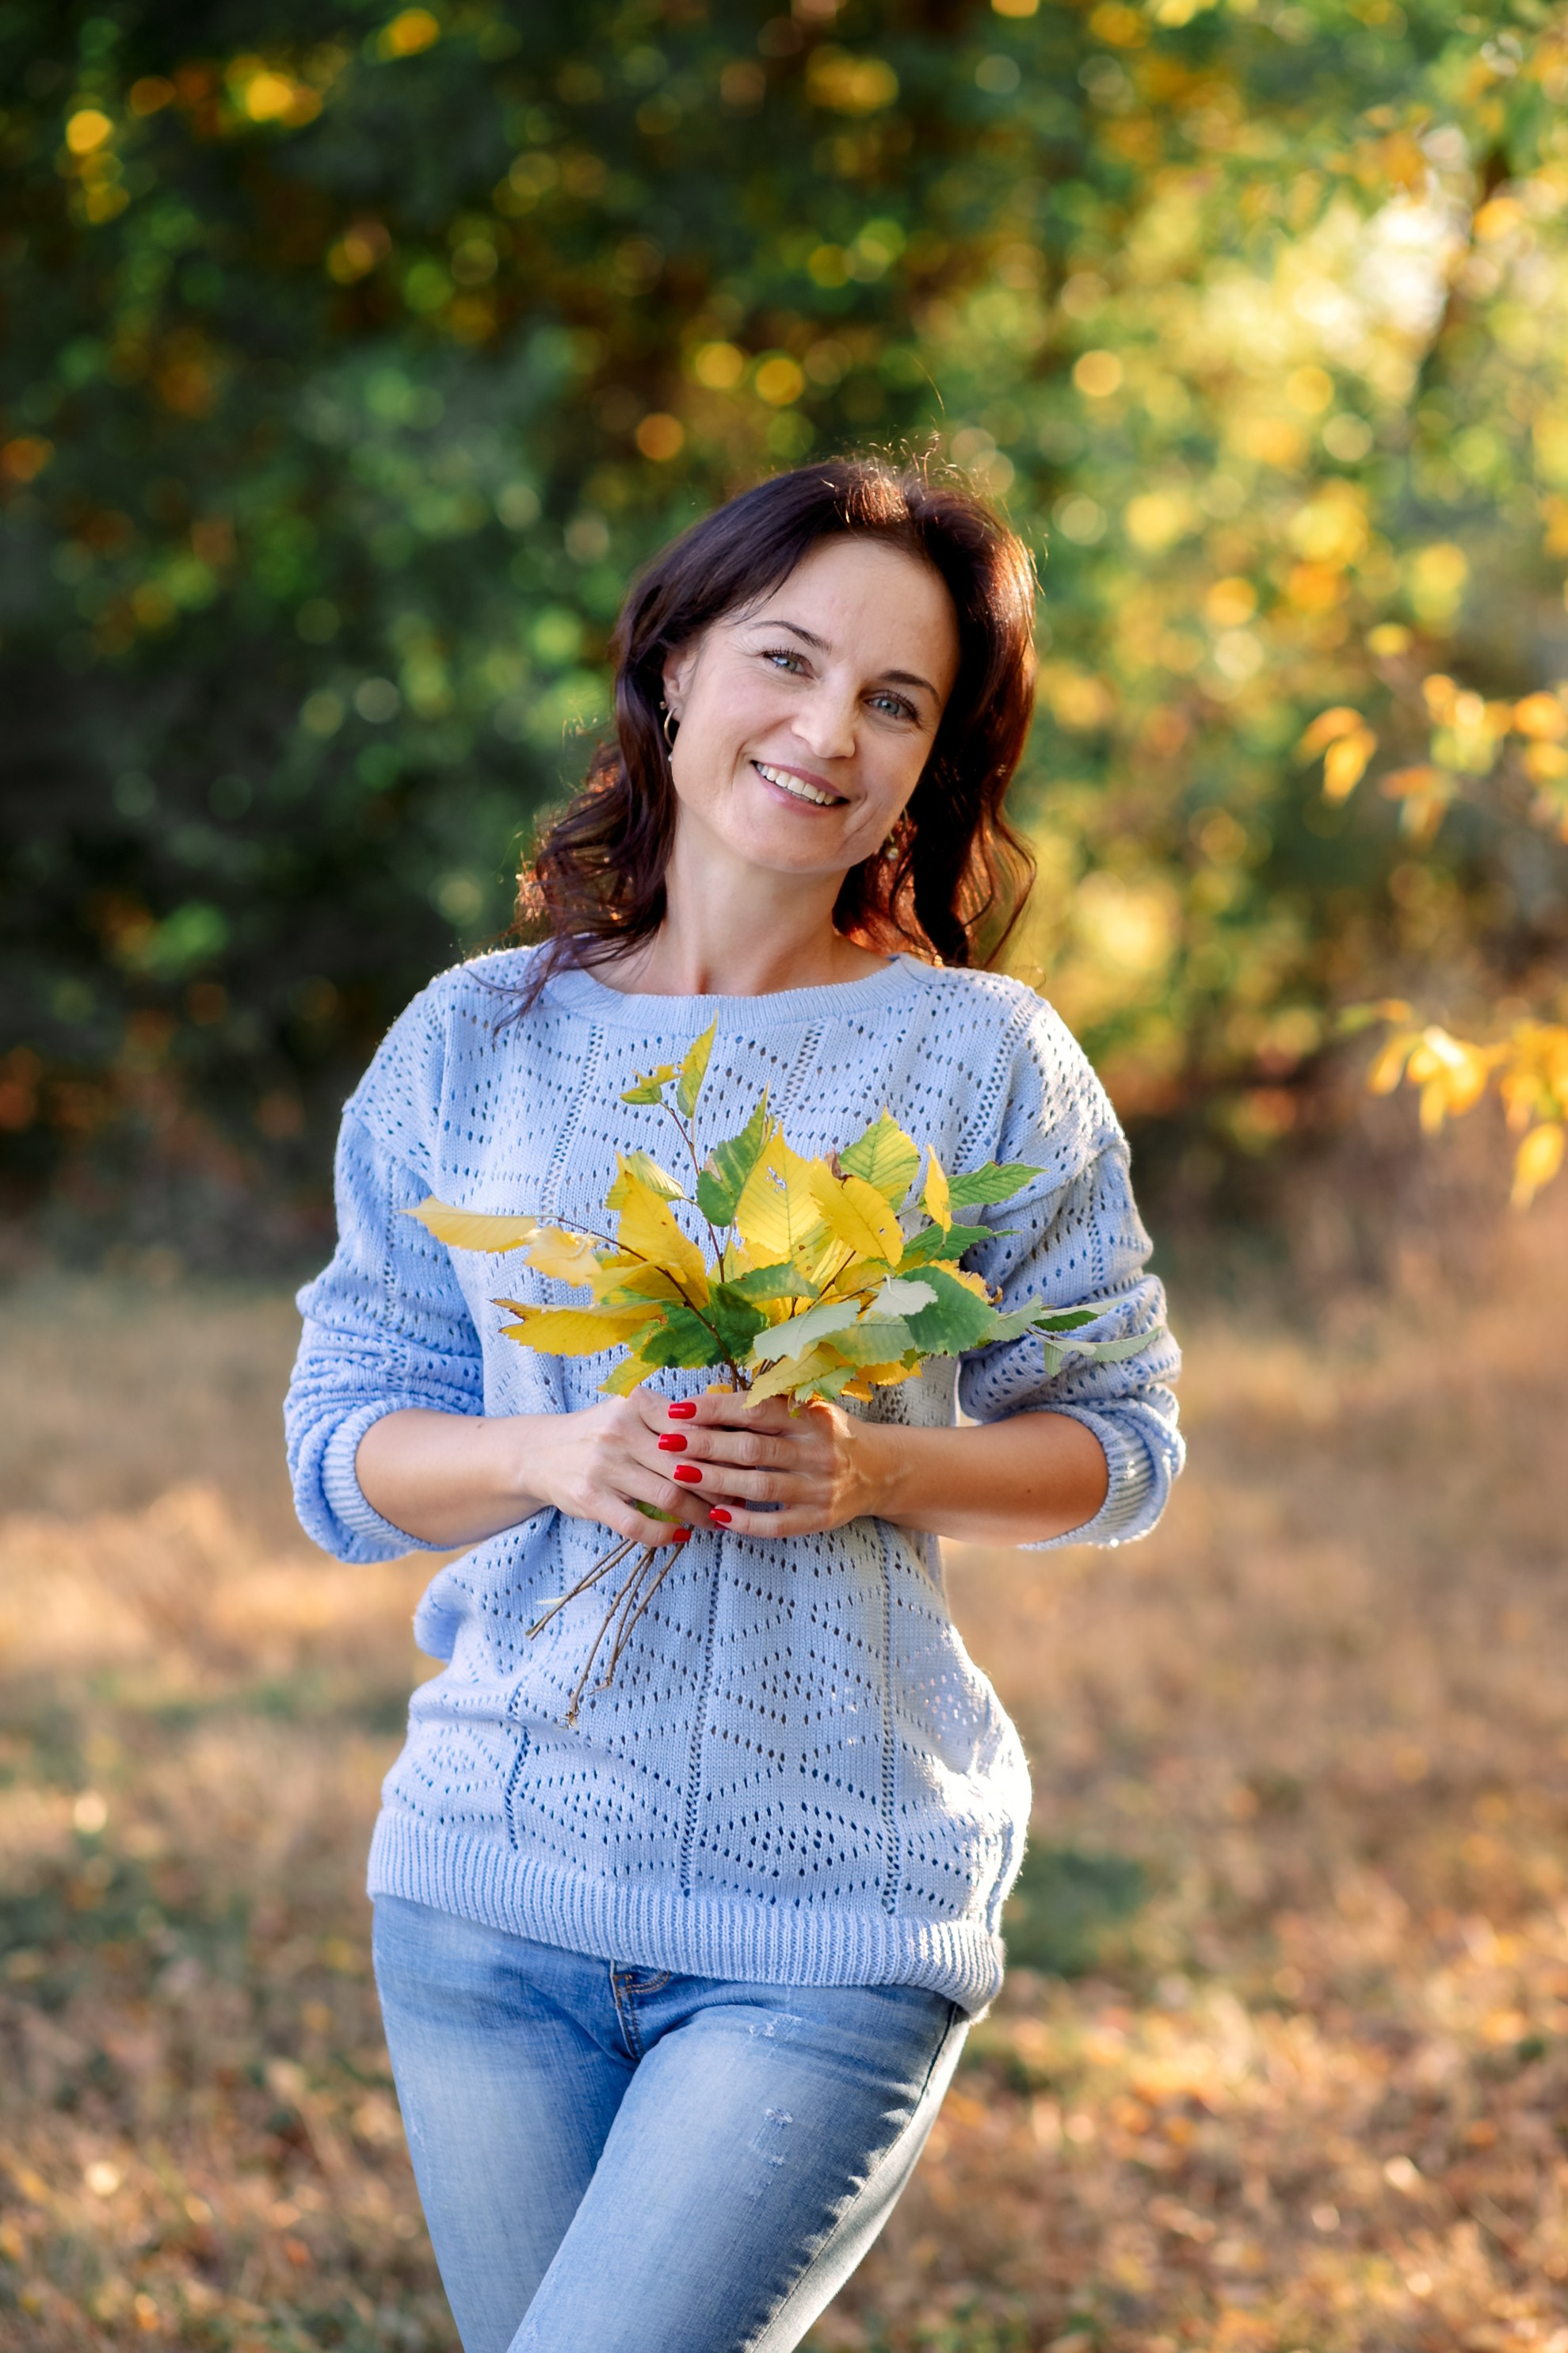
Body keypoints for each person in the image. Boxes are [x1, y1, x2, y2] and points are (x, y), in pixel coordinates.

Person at [284, 456, 1183, 2353]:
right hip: (485, 1889)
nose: (826, 732)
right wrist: (549, 1450)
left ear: (938, 762)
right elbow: (345, 1451)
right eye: (786, 659)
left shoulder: (983, 1059)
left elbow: (1116, 1444)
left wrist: (874, 1467)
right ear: (678, 664)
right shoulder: (477, 1036)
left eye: (897, 702)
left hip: (833, 1916)